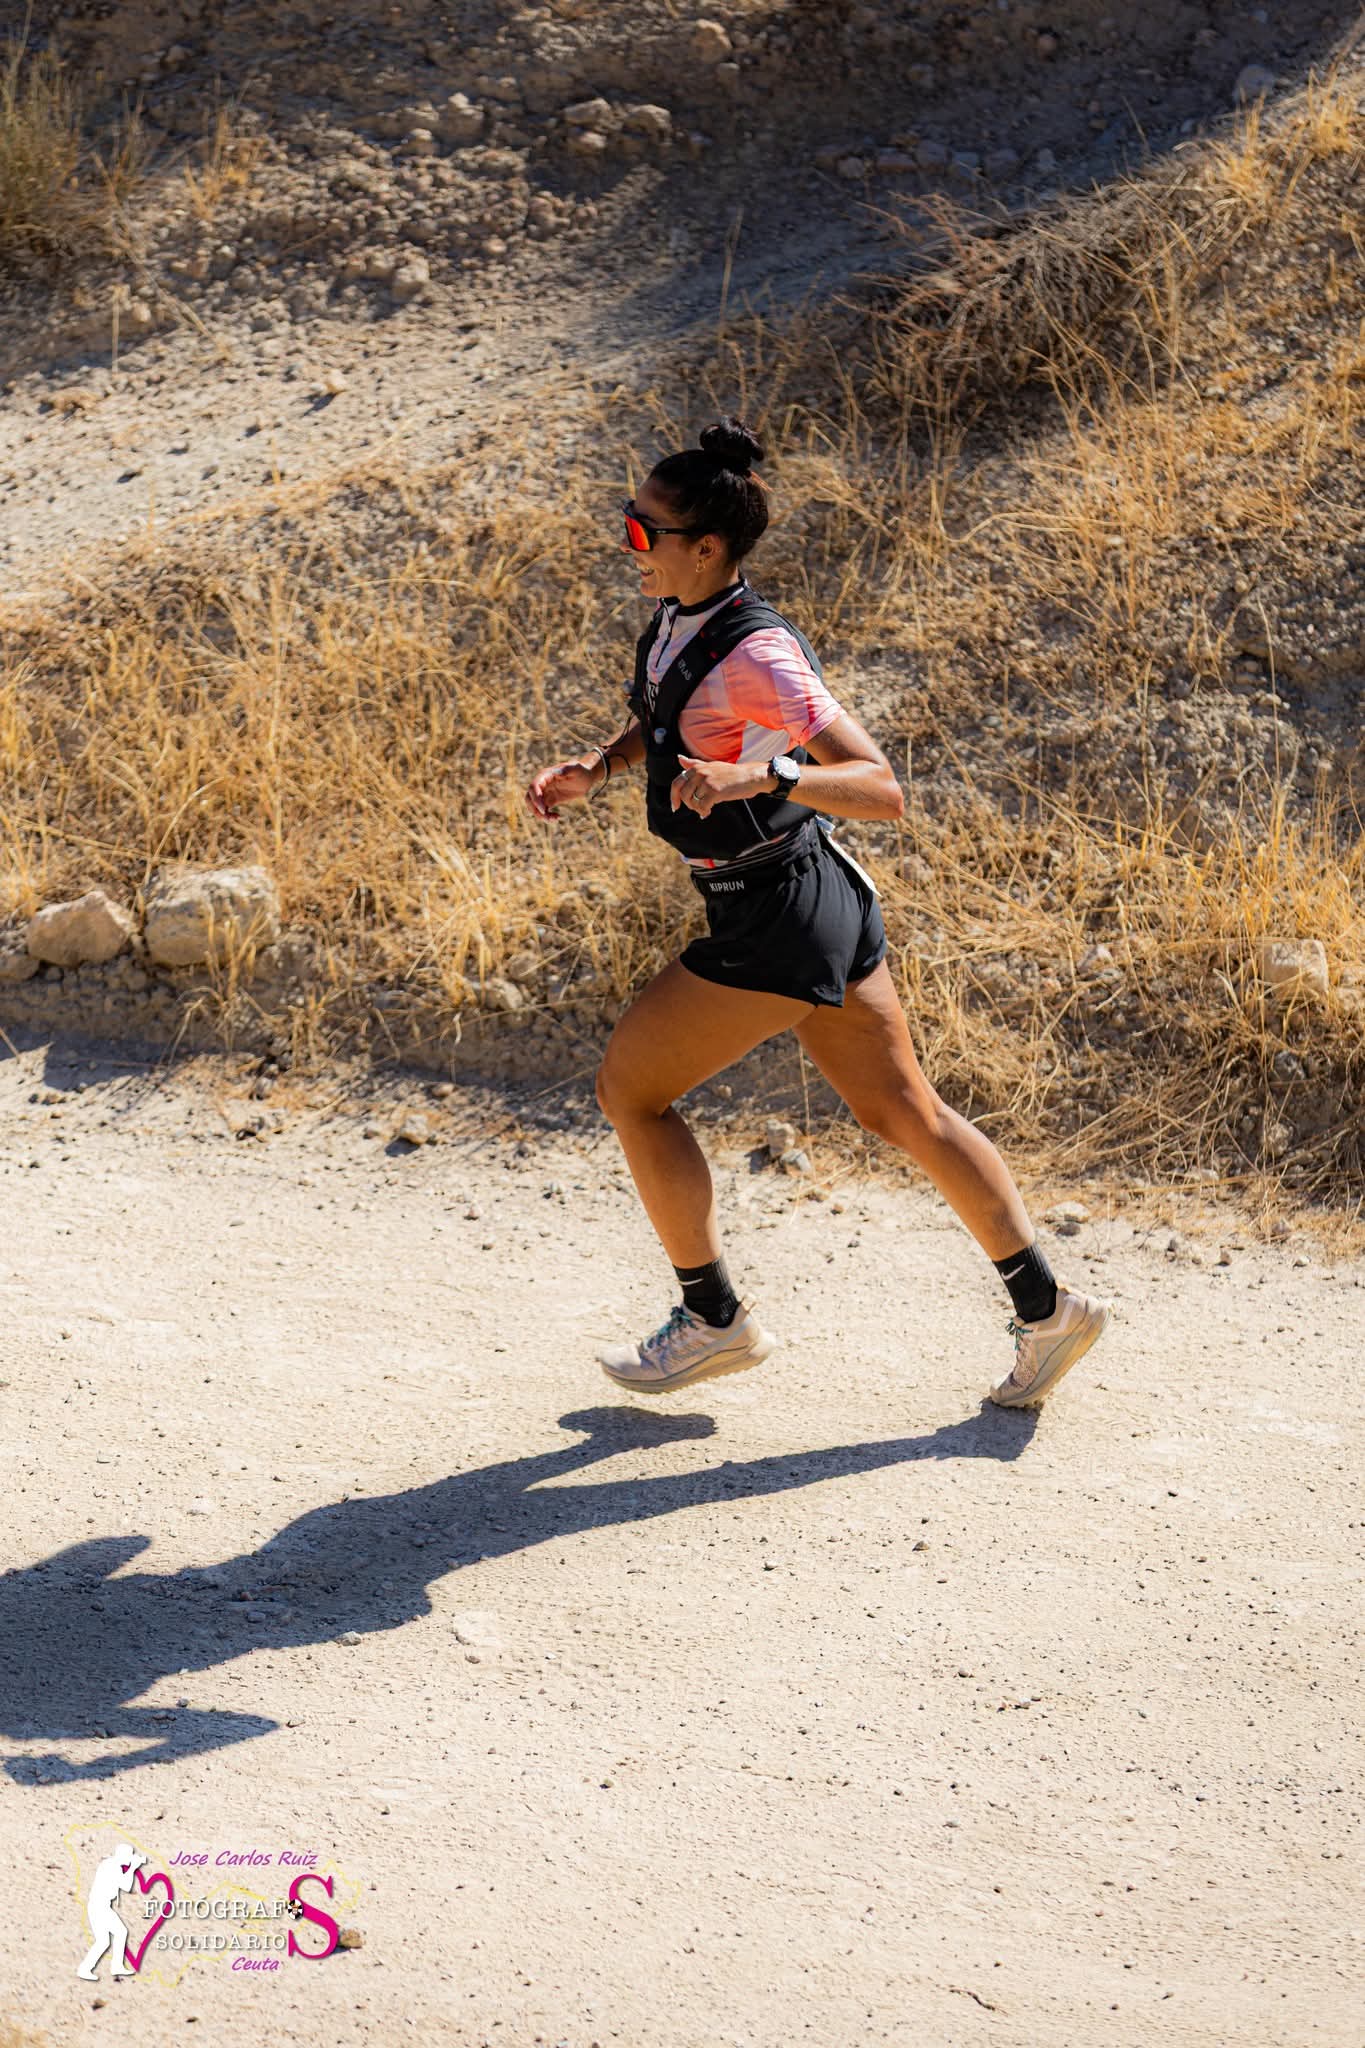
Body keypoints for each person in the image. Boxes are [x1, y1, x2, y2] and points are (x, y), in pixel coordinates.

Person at [525, 416, 1108, 1406]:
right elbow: (663, 714)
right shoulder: (678, 616)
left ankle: (713, 1318)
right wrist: (601, 766)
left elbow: (880, 787)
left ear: (706, 547)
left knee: (630, 1091)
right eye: (629, 522)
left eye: (643, 531)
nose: (629, 544)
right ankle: (1048, 1309)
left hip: (776, 917)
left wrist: (766, 771)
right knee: (905, 1112)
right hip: (811, 897)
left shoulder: (761, 654)